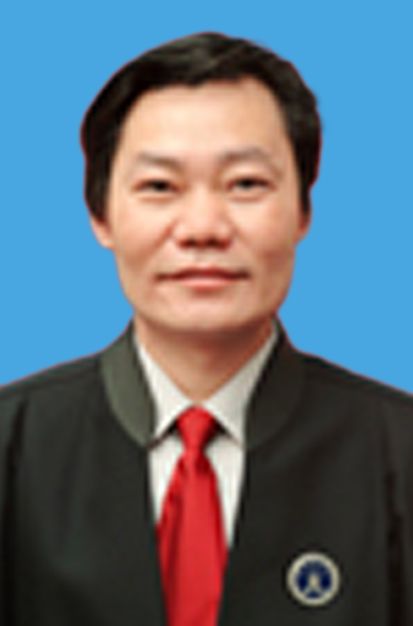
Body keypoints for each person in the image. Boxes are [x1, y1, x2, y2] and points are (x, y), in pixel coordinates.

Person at [1, 31, 412, 626]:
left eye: (246, 184)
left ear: (303, 212)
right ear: (101, 215)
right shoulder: (12, 446)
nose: (202, 228)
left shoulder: (398, 451)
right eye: (159, 187)